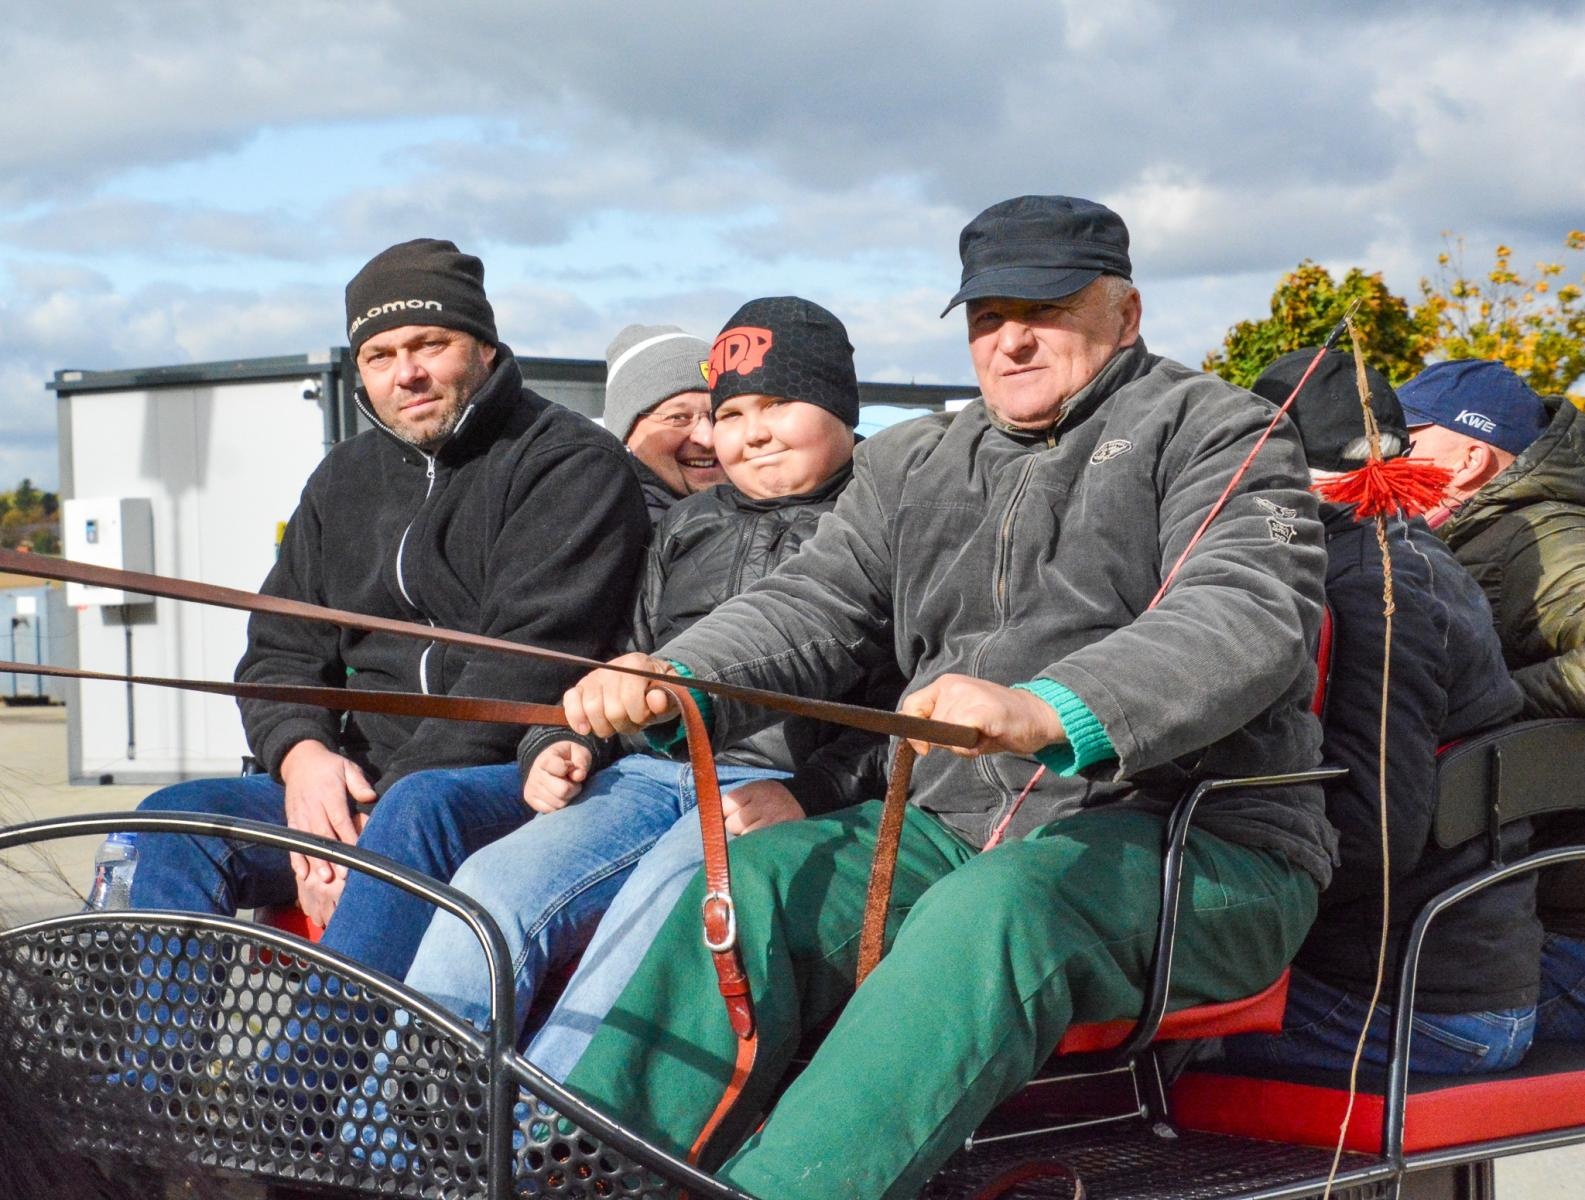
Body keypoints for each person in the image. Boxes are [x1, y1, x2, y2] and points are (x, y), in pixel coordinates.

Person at [555, 195, 1335, 1200]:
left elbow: (1245, 615)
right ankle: (585, 1176)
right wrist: (680, 674)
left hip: (1202, 840)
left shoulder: (1219, 430)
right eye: (983, 316)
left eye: (1043, 309)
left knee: (999, 908)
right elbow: (812, 604)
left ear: (1125, 316)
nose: (1008, 340)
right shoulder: (913, 462)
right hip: (958, 829)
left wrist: (1052, 708)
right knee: (755, 882)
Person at [128, 239, 649, 980]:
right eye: (378, 355)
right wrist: (302, 756)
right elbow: (280, 648)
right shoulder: (342, 477)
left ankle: (303, 1088)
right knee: (173, 823)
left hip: (503, 779)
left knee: (421, 809)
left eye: (430, 344)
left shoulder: (565, 463)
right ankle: (148, 1088)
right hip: (360, 790)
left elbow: (525, 666)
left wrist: (356, 843)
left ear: (486, 349)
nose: (406, 373)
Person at [398, 297, 896, 1063]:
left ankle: (548, 1140)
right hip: (645, 772)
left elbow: (907, 706)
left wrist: (811, 792)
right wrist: (560, 742)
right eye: (730, 414)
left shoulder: (885, 524)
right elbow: (619, 657)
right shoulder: (687, 525)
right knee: (491, 886)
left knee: (659, 907)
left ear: (839, 405)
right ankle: (398, 1134)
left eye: (779, 404)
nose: (751, 432)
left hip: (771, 785)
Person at [1220, 349, 1535, 1075]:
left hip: (1419, 1007)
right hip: (1450, 983)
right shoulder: (1405, 553)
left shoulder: (1368, 594)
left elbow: (1371, 831)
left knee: (1118, 1039)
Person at [1401, 365, 1585, 1041]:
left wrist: (1496, 707)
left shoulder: (1540, 535)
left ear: (1472, 457)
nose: (1386, 452)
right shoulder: (1480, 533)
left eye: (1408, 436)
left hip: (1560, 935)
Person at [601, 323, 726, 520]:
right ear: (626, 433)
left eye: (721, 415)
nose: (708, 438)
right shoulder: (617, 533)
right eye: (678, 417)